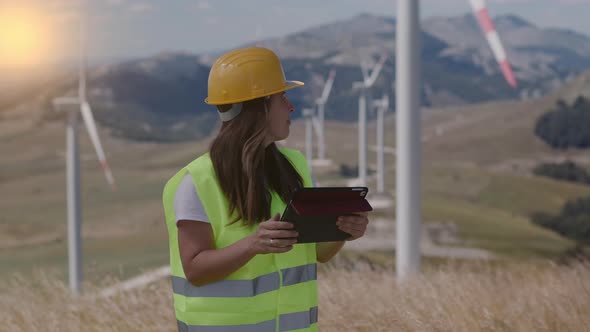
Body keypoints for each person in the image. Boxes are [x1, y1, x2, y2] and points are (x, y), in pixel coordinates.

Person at [162, 46, 370, 332]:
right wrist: (252, 245)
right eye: (282, 97)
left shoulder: (294, 167)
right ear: (258, 107)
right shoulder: (197, 182)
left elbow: (318, 252)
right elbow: (195, 269)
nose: (291, 107)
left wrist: (343, 232)